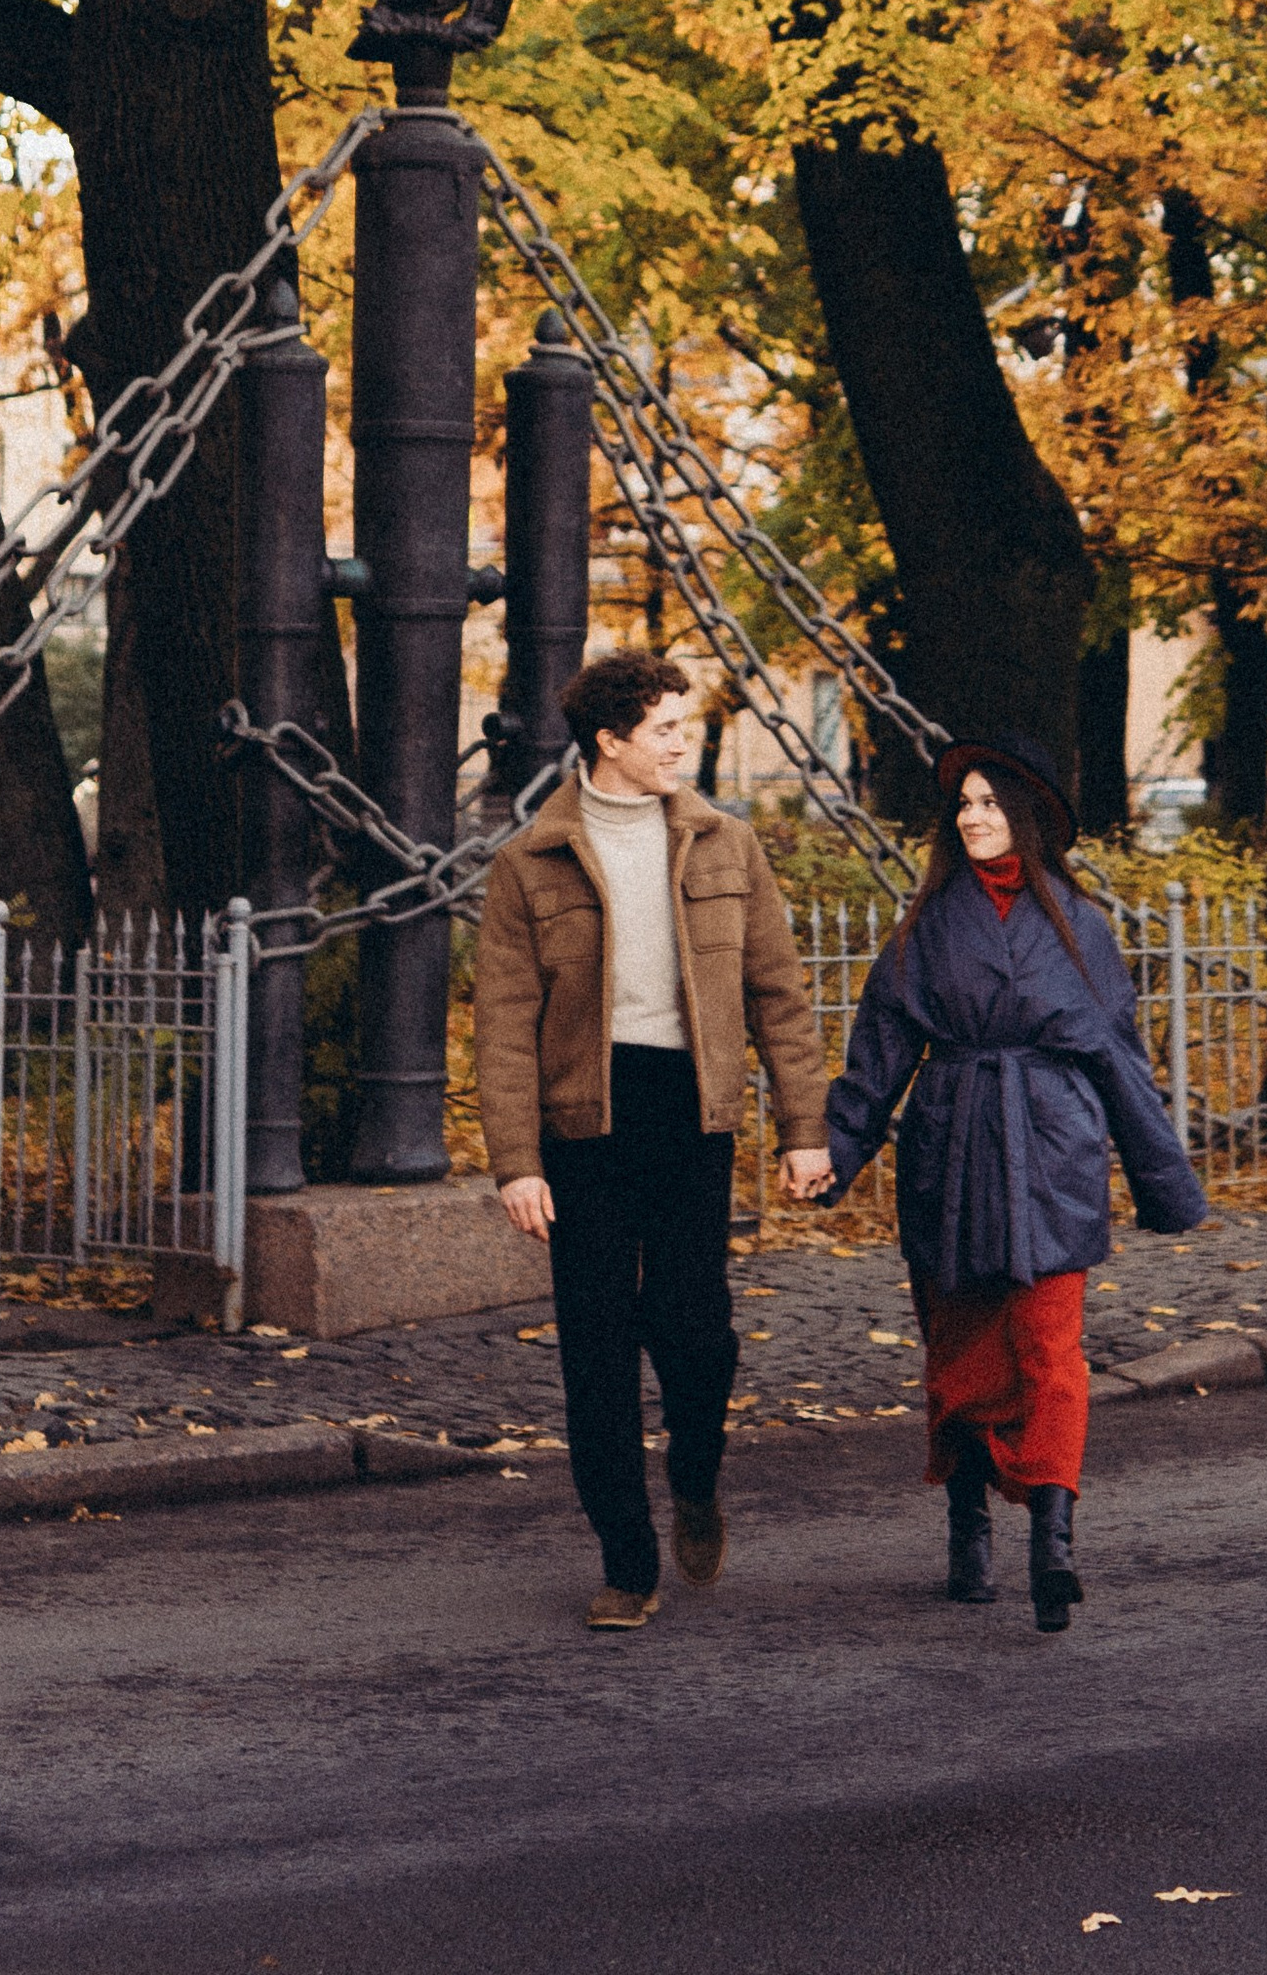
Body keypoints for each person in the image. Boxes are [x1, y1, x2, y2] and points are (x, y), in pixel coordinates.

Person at [475, 649, 833, 1632]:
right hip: (582, 1119)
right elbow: (503, 1022)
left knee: (695, 1331)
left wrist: (806, 1129)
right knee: (594, 1348)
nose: (683, 743)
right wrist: (516, 1162)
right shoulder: (530, 862)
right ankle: (627, 1563)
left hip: (690, 1109)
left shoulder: (727, 845)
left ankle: (696, 1475)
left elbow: (778, 996)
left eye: (684, 726)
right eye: (666, 729)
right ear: (611, 742)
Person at [823, 733, 1207, 1631]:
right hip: (948, 1149)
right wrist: (837, 1154)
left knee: (1050, 1351)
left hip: (1054, 1151)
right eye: (964, 806)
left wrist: (1164, 1182)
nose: (973, 819)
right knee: (961, 1351)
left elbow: (1120, 1061)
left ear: (1027, 819)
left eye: (991, 805)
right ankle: (967, 1526)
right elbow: (879, 1053)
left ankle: (1054, 1541)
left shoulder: (1081, 926)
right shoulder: (925, 928)